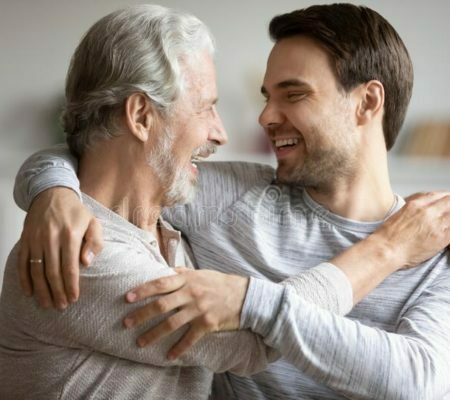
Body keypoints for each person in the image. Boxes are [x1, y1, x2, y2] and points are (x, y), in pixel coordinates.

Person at [7, 3, 450, 400]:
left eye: (293, 94)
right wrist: (52, 190)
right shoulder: (227, 199)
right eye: (266, 97)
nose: (262, 118)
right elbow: (117, 161)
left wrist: (248, 299)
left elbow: (420, 381)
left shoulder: (431, 241)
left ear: (367, 101)